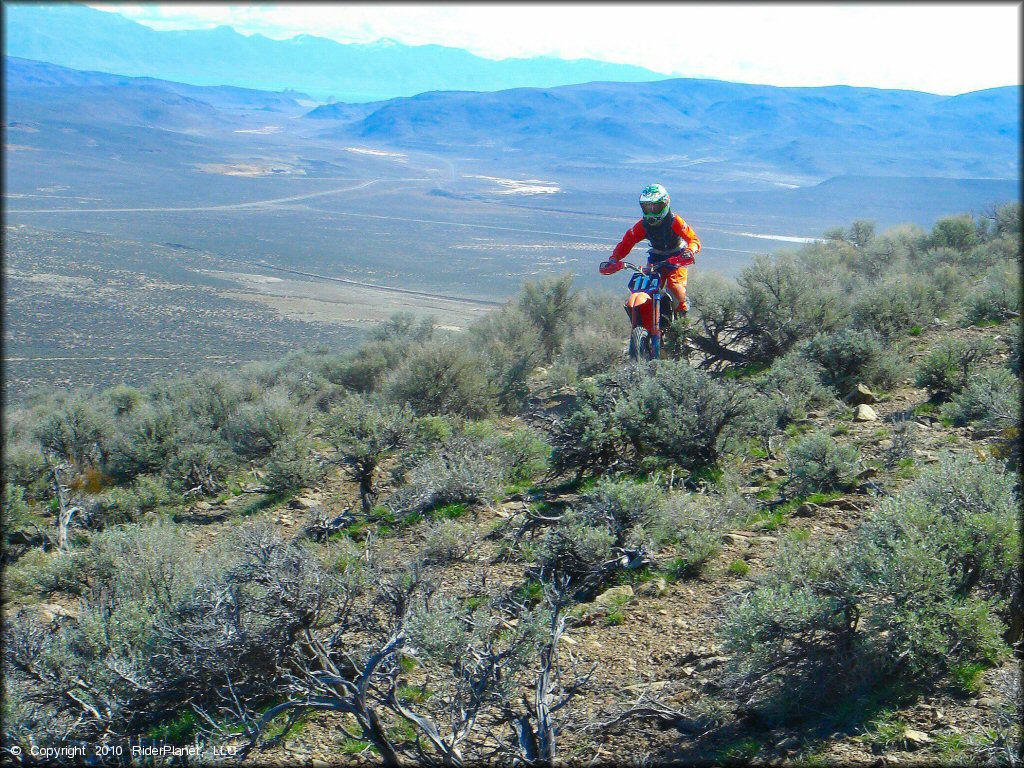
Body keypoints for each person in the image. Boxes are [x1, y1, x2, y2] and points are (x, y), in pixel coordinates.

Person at [599, 183, 701, 322]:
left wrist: (690, 251)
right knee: (646, 289)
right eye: (648, 207)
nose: (651, 212)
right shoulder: (642, 225)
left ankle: (682, 329)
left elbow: (693, 239)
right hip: (655, 259)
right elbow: (626, 243)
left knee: (677, 290)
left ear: (665, 204)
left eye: (656, 207)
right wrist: (614, 259)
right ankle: (646, 326)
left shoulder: (674, 221)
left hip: (678, 257)